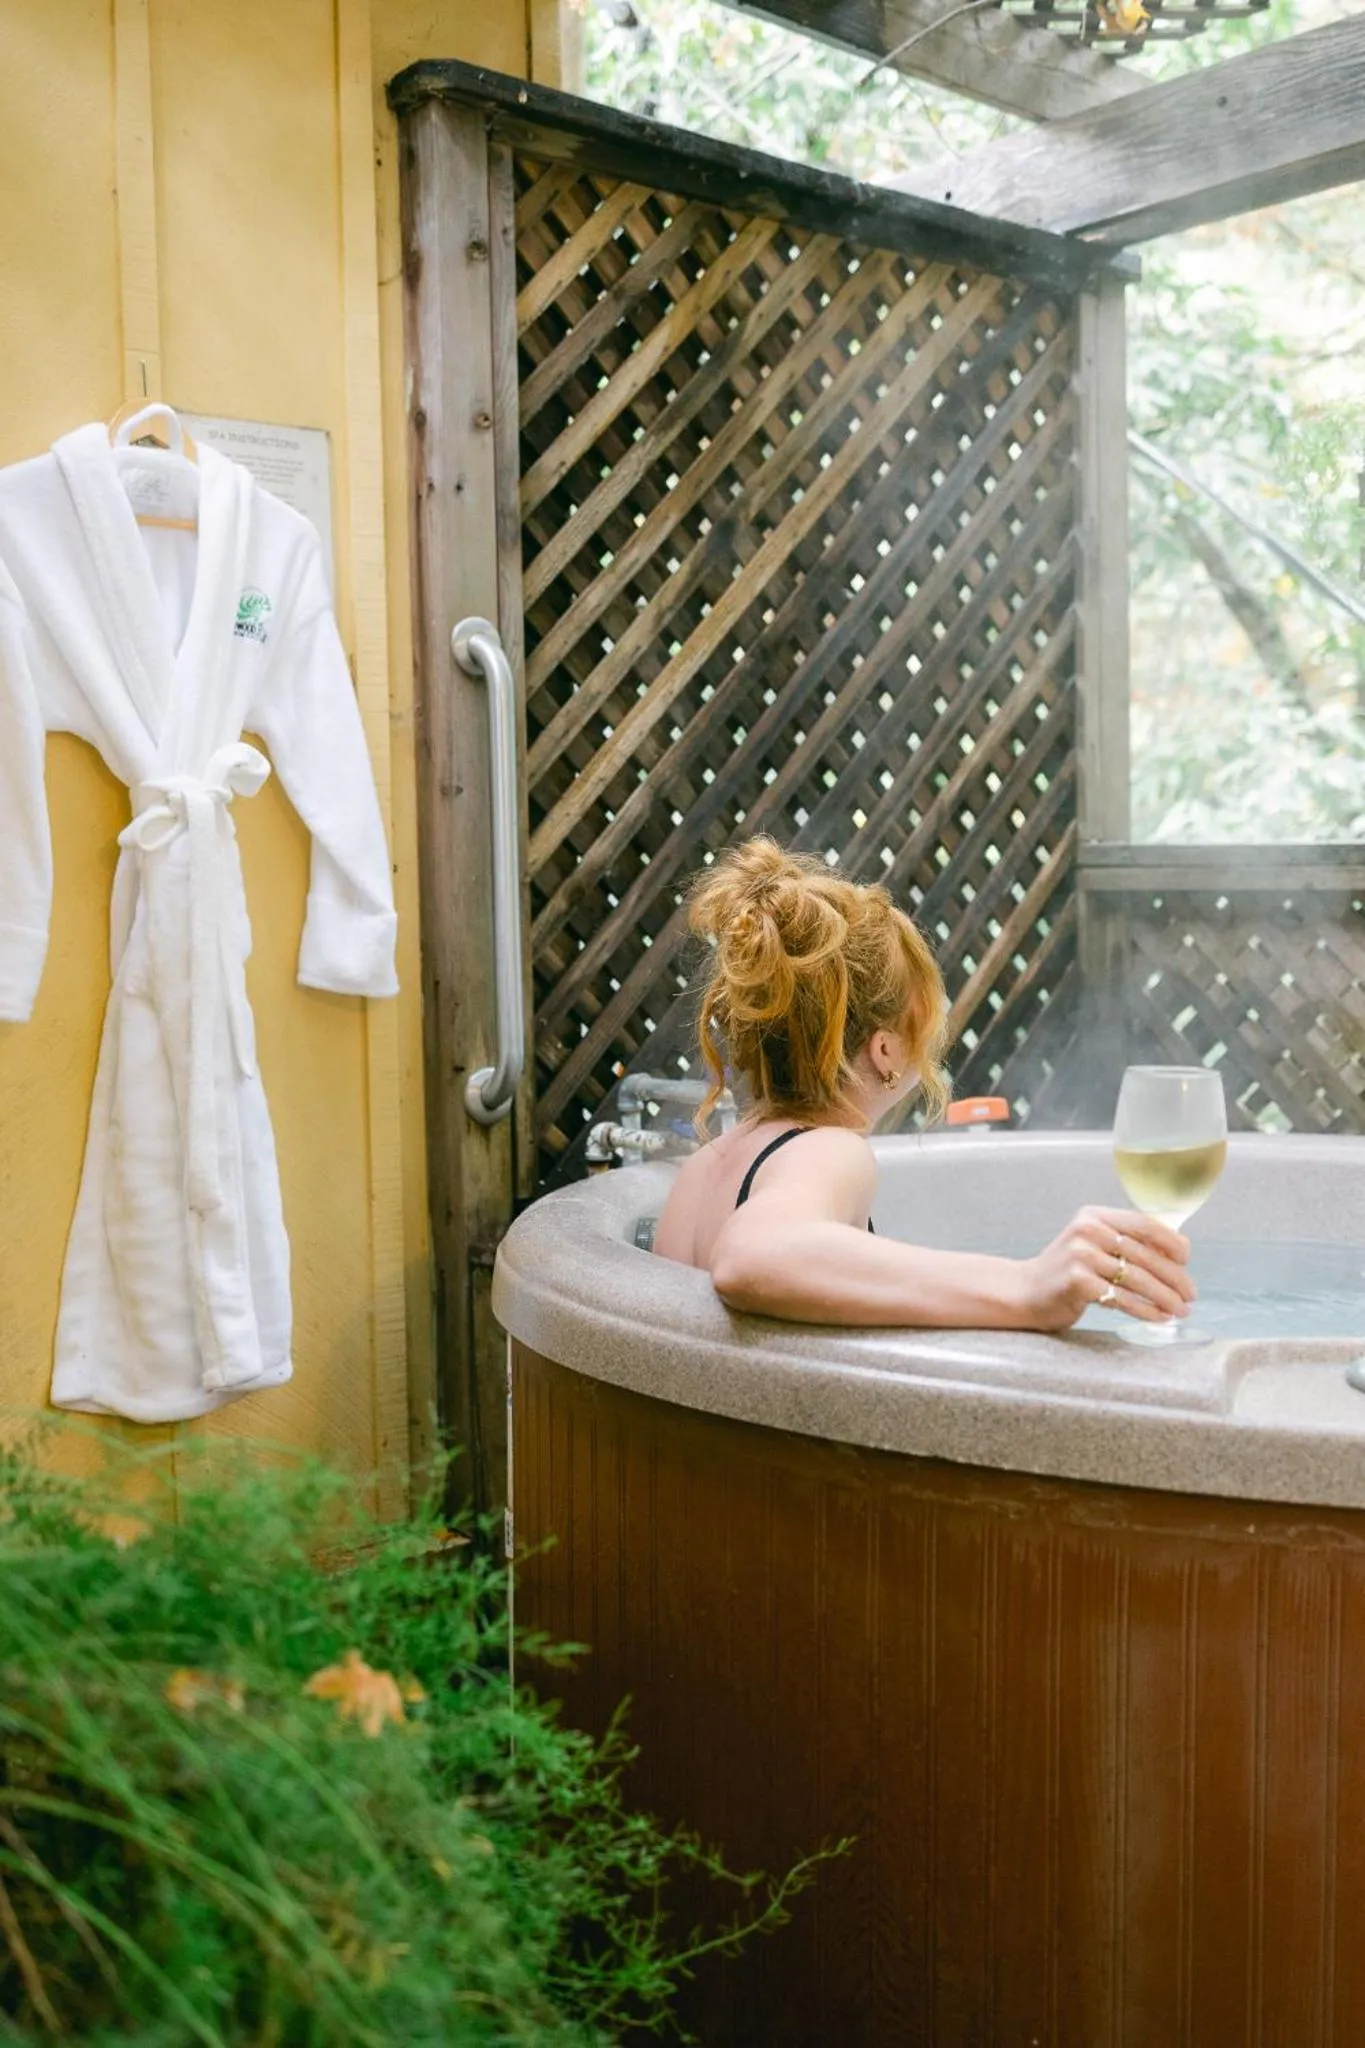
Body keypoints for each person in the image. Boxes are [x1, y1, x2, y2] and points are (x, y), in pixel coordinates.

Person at [653, 838, 1195, 1332]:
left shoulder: (702, 1169)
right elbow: (754, 1256)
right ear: (885, 1049)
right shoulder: (829, 1150)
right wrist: (1028, 1287)